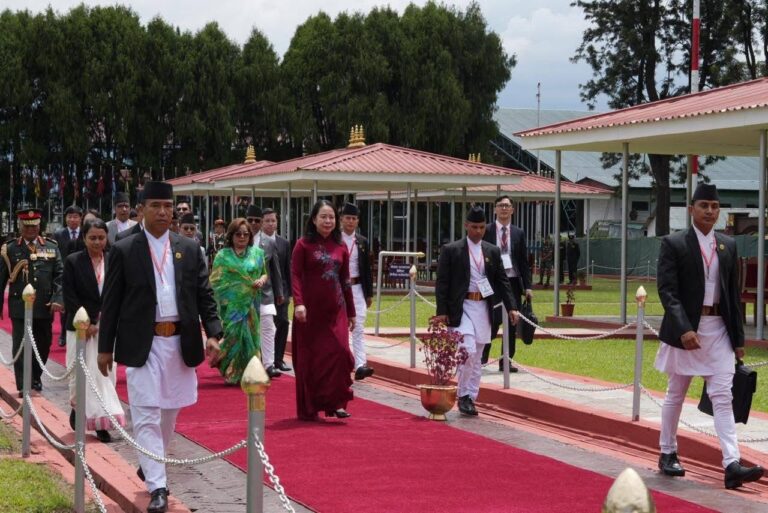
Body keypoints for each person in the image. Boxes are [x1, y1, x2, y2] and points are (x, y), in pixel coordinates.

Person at [97, 181, 223, 513]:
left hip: (179, 343)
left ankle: (151, 461)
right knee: (146, 412)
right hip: (143, 343)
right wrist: (105, 347)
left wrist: (214, 332)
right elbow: (111, 302)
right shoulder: (124, 249)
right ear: (141, 210)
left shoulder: (189, 249)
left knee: (169, 412)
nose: (163, 212)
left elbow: (204, 294)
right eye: (155, 206)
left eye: (168, 206)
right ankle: (158, 485)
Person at [655, 183, 763, 490]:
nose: (710, 211)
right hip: (686, 329)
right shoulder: (674, 243)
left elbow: (733, 296)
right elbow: (667, 291)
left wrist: (738, 340)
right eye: (704, 205)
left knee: (723, 396)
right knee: (676, 392)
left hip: (718, 330)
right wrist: (684, 328)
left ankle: (732, 463)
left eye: (715, 206)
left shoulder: (728, 245)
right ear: (691, 209)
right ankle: (667, 452)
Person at [435, 206, 519, 417]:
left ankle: (470, 397)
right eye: (474, 227)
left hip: (483, 307)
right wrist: (442, 311)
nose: (478, 231)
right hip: (461, 307)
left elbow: (502, 281)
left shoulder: (492, 251)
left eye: (482, 227)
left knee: (478, 355)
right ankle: (463, 394)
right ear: (466, 226)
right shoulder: (452, 250)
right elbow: (442, 283)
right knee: (468, 350)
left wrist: (512, 307)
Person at [291, 199, 356, 420]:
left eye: (331, 217)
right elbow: (295, 275)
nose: (328, 221)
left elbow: (345, 280)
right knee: (312, 360)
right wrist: (298, 303)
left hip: (336, 310)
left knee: (340, 353)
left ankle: (336, 402)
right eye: (323, 217)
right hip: (309, 312)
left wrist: (352, 312)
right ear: (313, 219)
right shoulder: (302, 245)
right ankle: (312, 406)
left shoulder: (341, 246)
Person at [63, 218, 126, 443]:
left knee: (105, 374)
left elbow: (120, 292)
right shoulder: (73, 261)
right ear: (84, 238)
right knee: (78, 373)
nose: (97, 242)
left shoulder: (113, 260)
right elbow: (69, 295)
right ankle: (78, 409)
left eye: (101, 238)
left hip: (107, 328)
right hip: (80, 328)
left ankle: (102, 422)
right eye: (92, 238)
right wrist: (86, 323)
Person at [0, 209, 64, 396]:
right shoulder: (10, 248)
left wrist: (57, 298)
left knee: (43, 345)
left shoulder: (51, 246)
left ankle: (35, 377)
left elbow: (60, 275)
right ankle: (24, 385)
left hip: (44, 306)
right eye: (26, 226)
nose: (30, 230)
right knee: (20, 345)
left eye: (34, 226)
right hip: (19, 306)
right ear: (20, 226)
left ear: (39, 226)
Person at [209, 218, 267, 384]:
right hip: (232, 306)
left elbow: (264, 273)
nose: (242, 237)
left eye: (245, 234)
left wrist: (261, 280)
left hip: (251, 304)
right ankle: (231, 371)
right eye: (238, 234)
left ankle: (251, 374)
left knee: (251, 339)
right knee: (233, 337)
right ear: (231, 236)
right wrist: (233, 291)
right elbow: (215, 281)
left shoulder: (257, 253)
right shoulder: (223, 255)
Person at [481, 195, 531, 373]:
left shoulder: (518, 232)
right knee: (492, 320)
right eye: (501, 205)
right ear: (495, 209)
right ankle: (482, 358)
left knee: (512, 321)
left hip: (513, 282)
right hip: (493, 282)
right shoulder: (486, 230)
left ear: (512, 210)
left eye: (507, 206)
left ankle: (506, 361)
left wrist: (528, 286)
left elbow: (523, 261)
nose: (504, 208)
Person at [246, 205, 284, 379]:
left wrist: (280, 292)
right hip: (243, 295)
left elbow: (275, 269)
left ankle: (269, 365)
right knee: (247, 330)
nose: (253, 223)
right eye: (250, 220)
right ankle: (246, 364)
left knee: (268, 328)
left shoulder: (268, 243)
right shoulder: (238, 238)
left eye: (257, 220)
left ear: (261, 222)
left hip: (265, 293)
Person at [339, 203, 374, 380]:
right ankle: (343, 363)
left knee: (359, 326)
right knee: (341, 327)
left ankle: (360, 364)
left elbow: (367, 269)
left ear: (358, 221)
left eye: (354, 219)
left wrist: (369, 293)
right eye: (348, 218)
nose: (350, 221)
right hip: (339, 288)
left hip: (358, 287)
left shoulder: (362, 242)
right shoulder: (334, 240)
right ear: (341, 219)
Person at [261, 208, 292, 372]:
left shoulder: (283, 243)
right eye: (267, 221)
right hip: (264, 291)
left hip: (282, 291)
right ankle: (266, 359)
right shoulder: (256, 242)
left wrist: (289, 293)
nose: (270, 224)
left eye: (273, 220)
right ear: (262, 222)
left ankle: (278, 359)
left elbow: (287, 269)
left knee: (283, 322)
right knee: (266, 326)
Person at [54, 205, 85, 347]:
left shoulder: (85, 233)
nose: (72, 219)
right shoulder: (59, 234)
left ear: (81, 218)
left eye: (75, 217)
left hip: (82, 273)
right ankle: (63, 333)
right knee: (65, 306)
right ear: (65, 218)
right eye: (70, 217)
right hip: (65, 274)